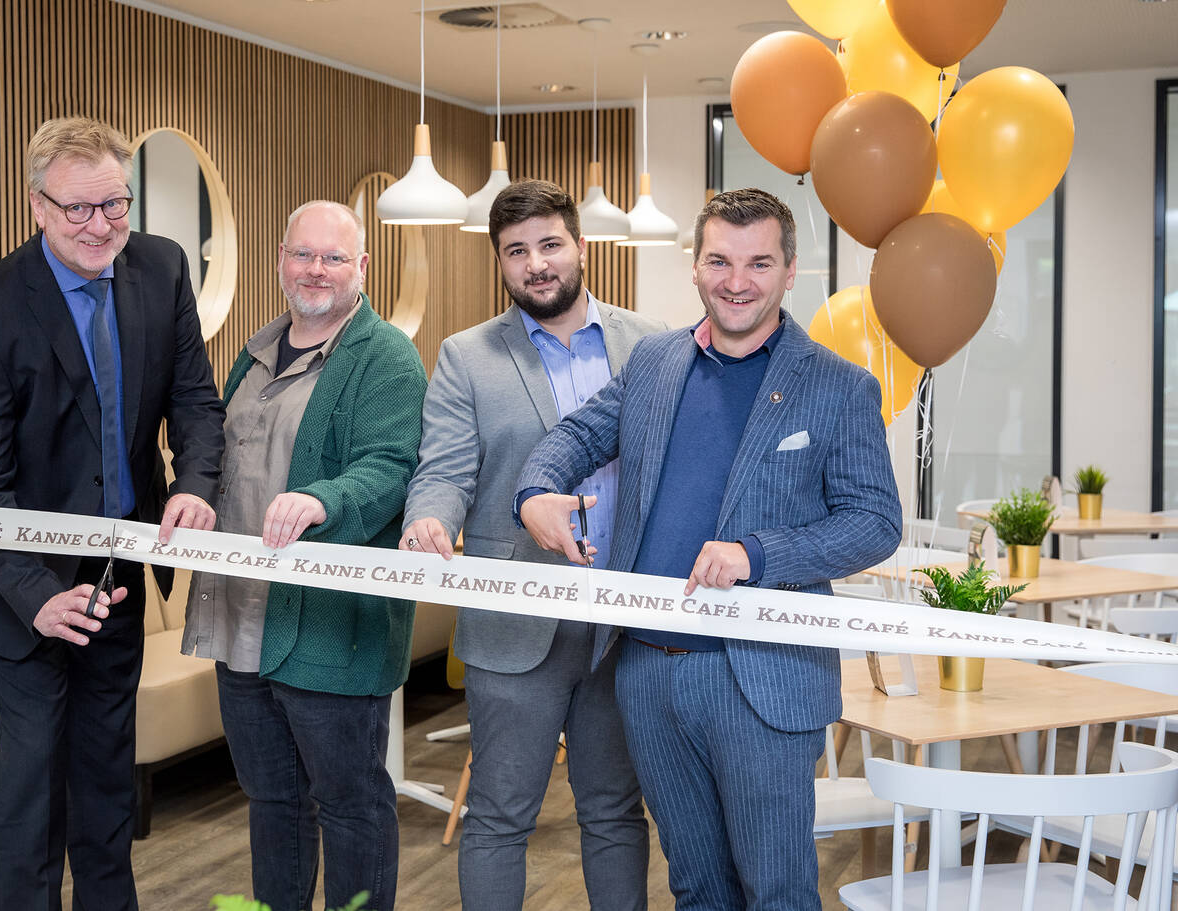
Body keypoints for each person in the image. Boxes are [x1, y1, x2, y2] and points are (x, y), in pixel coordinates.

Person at [516, 188, 902, 910]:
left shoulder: (838, 387)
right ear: (694, 267)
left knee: (777, 892)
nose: (736, 280)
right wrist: (536, 489)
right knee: (696, 886)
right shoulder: (654, 363)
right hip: (647, 674)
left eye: (759, 263)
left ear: (791, 272)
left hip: (759, 679)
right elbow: (575, 437)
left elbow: (875, 522)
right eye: (719, 260)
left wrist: (757, 554)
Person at [0, 116, 226, 911]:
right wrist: (38, 596)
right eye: (79, 210)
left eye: (116, 204)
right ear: (37, 206)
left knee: (108, 784)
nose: (102, 225)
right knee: (32, 794)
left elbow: (196, 406)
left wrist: (194, 483)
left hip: (117, 577)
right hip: (22, 596)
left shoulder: (162, 269)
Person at [402, 179, 661, 910]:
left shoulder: (652, 345)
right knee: (499, 814)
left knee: (613, 811)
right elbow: (445, 468)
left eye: (550, 245)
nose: (536, 264)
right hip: (515, 625)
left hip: (623, 622)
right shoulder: (466, 356)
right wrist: (427, 516)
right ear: (501, 262)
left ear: (580, 246)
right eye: (517, 251)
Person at [181, 200, 426, 911]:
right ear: (280, 259)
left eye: (334, 257)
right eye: (303, 254)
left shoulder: (386, 357)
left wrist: (324, 498)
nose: (316, 270)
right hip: (241, 616)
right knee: (272, 800)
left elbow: (391, 465)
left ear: (362, 267)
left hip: (327, 624)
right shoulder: (254, 352)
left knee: (349, 803)